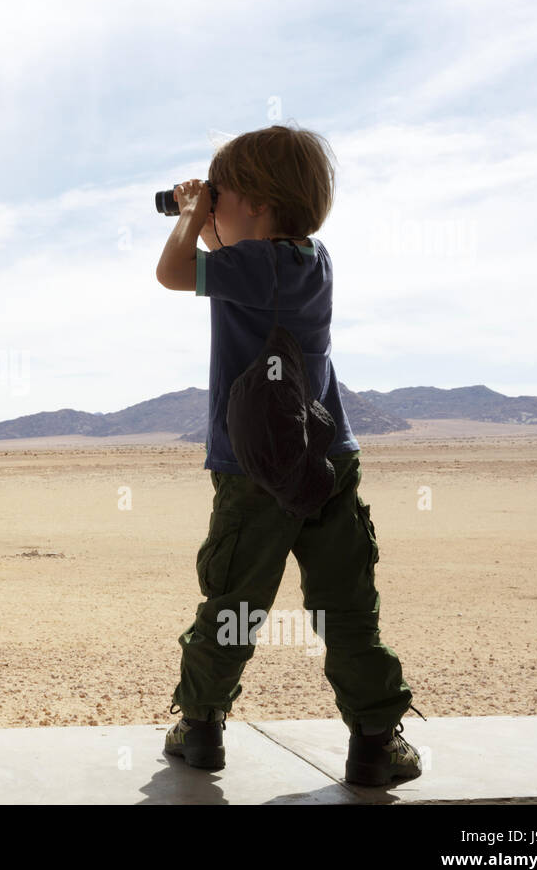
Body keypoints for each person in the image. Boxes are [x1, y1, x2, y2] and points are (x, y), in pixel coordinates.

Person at [154, 123, 423, 786]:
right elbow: (230, 254)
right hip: (329, 457)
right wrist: (216, 219)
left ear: (260, 205)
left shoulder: (252, 267)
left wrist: (189, 212)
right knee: (345, 603)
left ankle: (202, 726)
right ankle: (374, 741)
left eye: (224, 195)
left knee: (235, 603)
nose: (213, 208)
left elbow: (171, 272)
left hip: (254, 471)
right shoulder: (311, 261)